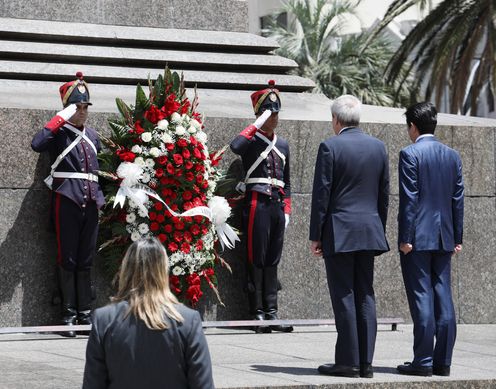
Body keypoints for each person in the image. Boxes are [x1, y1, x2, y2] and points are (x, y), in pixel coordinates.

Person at [309, 95, 389, 378]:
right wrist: (379, 227)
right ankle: (366, 363)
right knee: (365, 294)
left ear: (336, 119)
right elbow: (383, 195)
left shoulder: (330, 147)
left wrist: (315, 235)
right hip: (369, 231)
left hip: (339, 232)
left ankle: (348, 362)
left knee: (344, 295)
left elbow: (322, 195)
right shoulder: (379, 147)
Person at [82, 237, 214, 389]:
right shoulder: (188, 321)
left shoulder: (104, 320)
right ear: (164, 270)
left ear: (126, 269)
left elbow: (93, 384)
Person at [31, 72, 104, 337]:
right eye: (78, 107)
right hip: (67, 200)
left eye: (85, 107)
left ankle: (85, 313)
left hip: (91, 202)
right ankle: (68, 315)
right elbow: (37, 144)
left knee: (85, 259)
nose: (83, 112)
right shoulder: (59, 134)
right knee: (68, 258)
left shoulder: (94, 137)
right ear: (68, 108)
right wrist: (61, 117)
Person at [396, 102, 463, 377]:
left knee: (422, 297)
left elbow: (409, 199)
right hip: (444, 236)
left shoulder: (409, 154)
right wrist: (457, 237)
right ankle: (442, 361)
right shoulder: (452, 155)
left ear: (413, 126)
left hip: (418, 238)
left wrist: (405, 237)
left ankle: (422, 361)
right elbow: (457, 199)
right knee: (443, 296)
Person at [230, 80, 293, 333]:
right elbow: (235, 146)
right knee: (256, 257)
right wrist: (258, 122)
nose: (274, 118)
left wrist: (287, 210)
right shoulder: (250, 140)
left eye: (276, 113)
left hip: (276, 205)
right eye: (269, 113)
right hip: (256, 202)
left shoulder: (284, 144)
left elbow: (287, 183)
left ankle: (272, 312)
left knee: (272, 259)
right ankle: (256, 312)